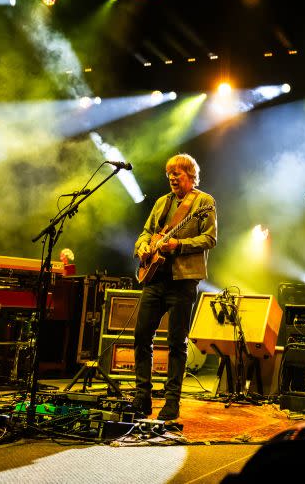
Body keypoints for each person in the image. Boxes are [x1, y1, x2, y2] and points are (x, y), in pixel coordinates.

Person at [132, 153, 217, 421]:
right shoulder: (161, 203)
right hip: (154, 278)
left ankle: (171, 401)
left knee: (176, 343)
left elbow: (210, 238)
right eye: (169, 173)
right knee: (141, 337)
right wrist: (143, 246)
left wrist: (178, 245)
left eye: (177, 173)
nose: (171, 177)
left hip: (182, 282)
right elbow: (146, 232)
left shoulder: (204, 202)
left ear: (191, 176)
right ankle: (142, 396)